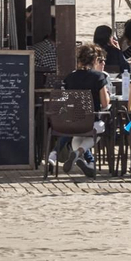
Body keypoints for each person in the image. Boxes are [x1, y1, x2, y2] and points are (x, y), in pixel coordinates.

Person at [51, 42, 110, 177]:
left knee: (76, 139)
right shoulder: (99, 77)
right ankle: (79, 153)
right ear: (95, 60)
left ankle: (86, 161)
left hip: (73, 122)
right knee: (101, 128)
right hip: (91, 121)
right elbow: (105, 103)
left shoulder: (70, 78)